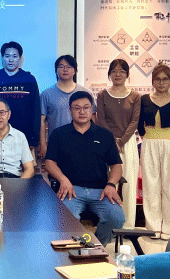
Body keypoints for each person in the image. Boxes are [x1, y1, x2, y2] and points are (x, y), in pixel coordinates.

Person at [45, 91, 125, 246]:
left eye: (86, 107)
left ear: (92, 109)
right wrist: (63, 179)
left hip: (101, 191)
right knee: (65, 219)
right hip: (71, 190)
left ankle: (96, 247)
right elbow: (49, 163)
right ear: (70, 110)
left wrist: (111, 184)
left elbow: (116, 165)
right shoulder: (59, 134)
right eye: (77, 108)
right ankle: (75, 249)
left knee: (117, 218)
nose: (82, 112)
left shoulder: (105, 135)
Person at [138, 62, 170, 241]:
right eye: (157, 79)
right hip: (149, 143)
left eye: (165, 79)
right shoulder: (144, 100)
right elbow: (139, 124)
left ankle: (169, 228)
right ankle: (153, 227)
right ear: (152, 81)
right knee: (150, 185)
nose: (161, 83)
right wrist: (148, 137)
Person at [97, 59, 141, 229]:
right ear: (109, 74)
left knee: (128, 184)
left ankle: (128, 224)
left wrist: (121, 141)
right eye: (114, 71)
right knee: (109, 183)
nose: (118, 74)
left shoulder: (135, 96)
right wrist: (112, 141)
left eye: (122, 71)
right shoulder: (102, 95)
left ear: (127, 75)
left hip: (127, 143)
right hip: (106, 143)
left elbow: (135, 121)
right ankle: (111, 224)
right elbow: (101, 119)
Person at [0, 41, 41, 154]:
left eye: (14, 56)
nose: (11, 60)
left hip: (24, 138)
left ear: (20, 58)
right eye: (7, 56)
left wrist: (33, 139)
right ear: (2, 58)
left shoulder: (29, 80)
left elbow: (35, 110)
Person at [39, 55, 94, 158]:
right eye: (61, 66)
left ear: (75, 70)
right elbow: (41, 120)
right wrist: (43, 144)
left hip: (83, 141)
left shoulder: (85, 93)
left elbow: (93, 118)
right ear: (56, 70)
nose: (65, 69)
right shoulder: (46, 94)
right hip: (56, 143)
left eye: (69, 66)